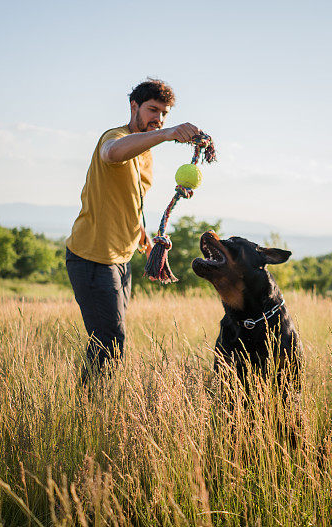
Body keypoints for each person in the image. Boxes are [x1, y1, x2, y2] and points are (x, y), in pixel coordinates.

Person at [65, 78, 200, 383]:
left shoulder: (145, 151)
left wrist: (147, 238)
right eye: (153, 110)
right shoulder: (115, 137)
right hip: (92, 257)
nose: (159, 118)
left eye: (164, 114)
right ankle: (90, 410)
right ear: (134, 106)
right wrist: (166, 134)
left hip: (121, 260)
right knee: (110, 342)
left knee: (109, 339)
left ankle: (94, 405)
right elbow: (111, 153)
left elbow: (131, 198)